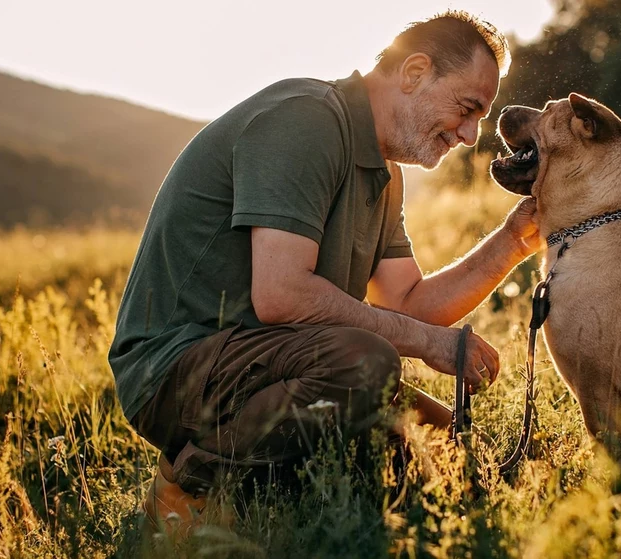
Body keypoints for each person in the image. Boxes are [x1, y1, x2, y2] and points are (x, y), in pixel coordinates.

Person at [107, 10, 542, 535]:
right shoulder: (306, 120)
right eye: (467, 108)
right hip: (177, 369)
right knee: (365, 364)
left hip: (273, 362)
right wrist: (428, 342)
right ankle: (191, 481)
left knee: (454, 455)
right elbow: (282, 295)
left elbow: (407, 301)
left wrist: (515, 239)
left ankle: (276, 484)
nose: (472, 135)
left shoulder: (386, 175)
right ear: (414, 72)